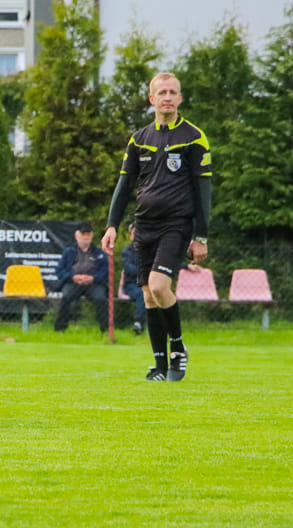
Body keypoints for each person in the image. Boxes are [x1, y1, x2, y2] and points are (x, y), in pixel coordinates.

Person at [101, 72, 212, 382]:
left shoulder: (193, 137)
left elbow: (204, 191)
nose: (167, 97)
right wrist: (112, 226)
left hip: (176, 224)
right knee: (149, 295)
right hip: (144, 225)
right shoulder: (139, 138)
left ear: (180, 98)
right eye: (161, 92)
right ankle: (160, 366)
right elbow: (124, 187)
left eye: (173, 92)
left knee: (161, 287)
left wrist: (200, 236)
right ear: (152, 99)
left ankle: (178, 348)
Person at [53, 221, 109, 333]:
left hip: (93, 283)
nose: (86, 237)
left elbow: (105, 272)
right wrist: (72, 277)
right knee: (66, 297)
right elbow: (59, 271)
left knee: (101, 298)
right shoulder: (68, 252)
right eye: (83, 234)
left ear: (92, 235)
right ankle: (60, 329)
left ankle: (106, 330)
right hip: (73, 282)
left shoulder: (99, 253)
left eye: (88, 234)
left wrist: (93, 278)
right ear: (76, 236)